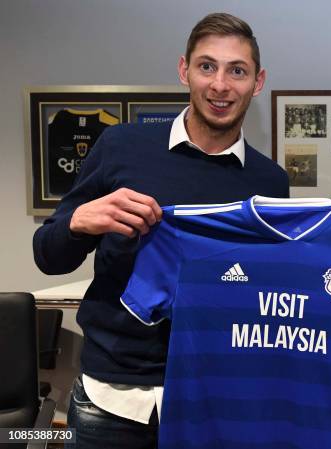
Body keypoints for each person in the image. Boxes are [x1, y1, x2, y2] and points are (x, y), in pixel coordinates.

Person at [33, 13, 288, 449]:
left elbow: (268, 289)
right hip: (110, 398)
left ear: (257, 82)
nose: (220, 85)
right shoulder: (121, 146)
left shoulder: (270, 182)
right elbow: (47, 256)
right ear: (184, 69)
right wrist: (77, 222)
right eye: (207, 66)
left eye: (237, 71)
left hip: (215, 396)